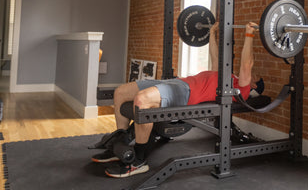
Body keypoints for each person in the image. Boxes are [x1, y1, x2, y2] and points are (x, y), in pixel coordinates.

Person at [92, 22, 258, 178]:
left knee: (142, 100)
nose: (254, 75)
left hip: (186, 92)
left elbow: (246, 65)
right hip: (178, 81)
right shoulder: (225, 76)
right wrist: (212, 33)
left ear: (255, 86)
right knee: (120, 92)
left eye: (257, 78)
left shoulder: (241, 89)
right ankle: (121, 144)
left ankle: (139, 161)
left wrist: (249, 36)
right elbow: (215, 58)